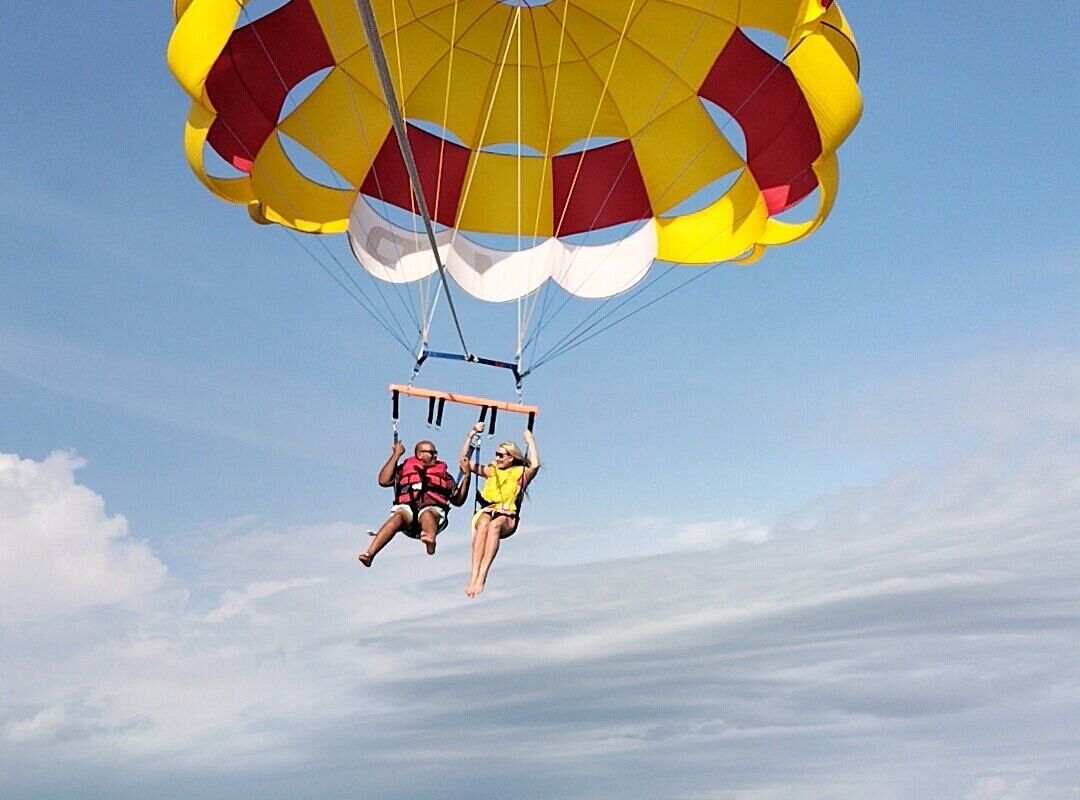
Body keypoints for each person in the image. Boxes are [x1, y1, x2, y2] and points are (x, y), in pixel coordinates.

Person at [358, 433, 473, 567]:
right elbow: (383, 481)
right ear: (419, 454)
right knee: (397, 518)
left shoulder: (444, 475)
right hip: (407, 513)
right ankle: (370, 554)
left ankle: (430, 541)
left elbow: (458, 501)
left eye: (436, 452)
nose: (435, 456)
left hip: (433, 512)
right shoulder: (403, 469)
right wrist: (396, 455)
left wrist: (467, 476)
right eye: (431, 452)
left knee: (427, 514)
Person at [460, 424, 540, 597]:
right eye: (496, 454)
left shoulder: (520, 474)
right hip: (488, 510)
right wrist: (471, 434)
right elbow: (464, 462)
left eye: (501, 455)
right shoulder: (491, 471)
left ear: (511, 458)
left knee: (494, 525)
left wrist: (530, 441)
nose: (497, 458)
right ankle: (473, 575)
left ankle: (482, 575)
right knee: (483, 524)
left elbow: (535, 465)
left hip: (507, 516)